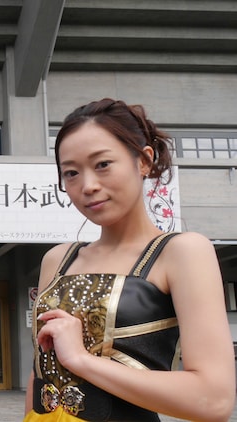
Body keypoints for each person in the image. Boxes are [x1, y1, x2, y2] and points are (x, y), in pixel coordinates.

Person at [24, 98, 235, 421]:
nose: (88, 186)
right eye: (71, 173)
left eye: (103, 164)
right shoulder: (57, 258)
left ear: (144, 161)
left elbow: (214, 400)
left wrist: (82, 360)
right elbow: (40, 369)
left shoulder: (181, 252)